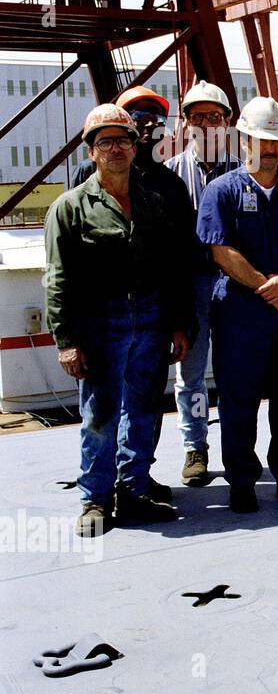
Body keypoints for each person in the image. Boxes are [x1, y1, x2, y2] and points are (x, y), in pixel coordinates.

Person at [46, 105, 192, 537]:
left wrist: (179, 324)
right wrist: (66, 339)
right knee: (100, 412)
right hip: (99, 324)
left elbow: (173, 269)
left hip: (150, 318)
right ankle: (94, 497)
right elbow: (57, 277)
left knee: (145, 408)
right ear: (91, 152)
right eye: (104, 142)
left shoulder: (153, 204)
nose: (115, 148)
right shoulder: (70, 208)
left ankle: (135, 489)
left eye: (123, 140)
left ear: (135, 145)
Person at [196, 97, 278, 512]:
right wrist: (264, 286)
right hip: (241, 312)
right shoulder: (222, 191)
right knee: (240, 398)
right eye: (261, 140)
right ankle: (242, 480)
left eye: (276, 141)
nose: (269, 148)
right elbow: (219, 249)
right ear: (243, 140)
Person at [166, 81, 240, 487]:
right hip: (190, 288)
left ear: (227, 122)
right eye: (199, 117)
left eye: (215, 116)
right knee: (190, 376)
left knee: (234, 372)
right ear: (185, 123)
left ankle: (236, 446)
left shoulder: (242, 174)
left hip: (232, 288)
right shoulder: (170, 175)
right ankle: (196, 448)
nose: (208, 124)